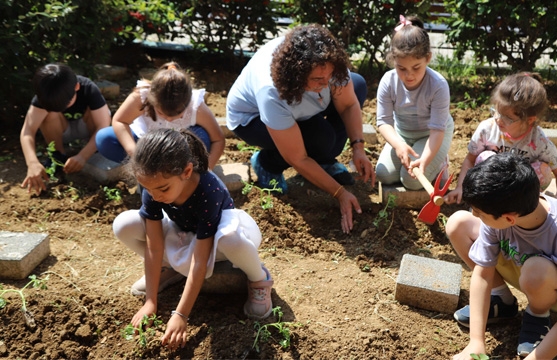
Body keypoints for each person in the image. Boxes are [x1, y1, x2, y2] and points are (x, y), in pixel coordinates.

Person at [112, 128, 273, 351]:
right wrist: (151, 301)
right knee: (124, 224)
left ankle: (259, 279)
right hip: (184, 231)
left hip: (221, 239)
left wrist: (180, 314)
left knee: (231, 239)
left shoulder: (208, 190)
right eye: (149, 189)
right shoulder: (154, 187)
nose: (155, 196)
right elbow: (154, 246)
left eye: (162, 189)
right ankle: (170, 269)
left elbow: (200, 259)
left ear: (187, 171)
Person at [445, 153, 557, 359]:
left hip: (549, 288)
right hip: (520, 267)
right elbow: (482, 275)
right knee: (458, 223)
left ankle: (537, 315)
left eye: (479, 212)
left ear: (509, 218)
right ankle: (501, 300)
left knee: (536, 270)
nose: (475, 214)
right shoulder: (508, 211)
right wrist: (476, 343)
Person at [226, 24, 376, 234]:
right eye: (317, 80)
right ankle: (267, 164)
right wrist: (340, 193)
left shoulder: (326, 66)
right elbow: (298, 158)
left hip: (299, 108)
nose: (326, 85)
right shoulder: (272, 91)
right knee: (321, 139)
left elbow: (349, 104)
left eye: (329, 77)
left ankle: (323, 162)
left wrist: (358, 147)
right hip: (253, 121)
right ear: (297, 74)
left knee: (356, 85)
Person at [444, 72, 557, 206]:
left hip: (520, 191)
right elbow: (470, 161)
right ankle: (485, 204)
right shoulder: (487, 130)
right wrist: (461, 187)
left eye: (507, 118)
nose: (498, 119)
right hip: (490, 189)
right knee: (484, 157)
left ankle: (525, 206)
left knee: (543, 170)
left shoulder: (539, 141)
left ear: (529, 120)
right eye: (496, 111)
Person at [96, 62, 225, 170]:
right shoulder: (141, 96)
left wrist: (206, 171)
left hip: (179, 148)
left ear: (187, 103)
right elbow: (119, 121)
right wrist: (134, 153)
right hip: (146, 145)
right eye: (161, 113)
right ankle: (146, 170)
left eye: (177, 114)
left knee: (202, 138)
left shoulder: (196, 105)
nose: (169, 119)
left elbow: (218, 139)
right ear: (152, 100)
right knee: (104, 139)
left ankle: (183, 173)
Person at [375, 15, 454, 190]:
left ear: (428, 58)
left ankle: (440, 162)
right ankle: (417, 155)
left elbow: (437, 130)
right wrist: (398, 144)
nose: (409, 75)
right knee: (383, 175)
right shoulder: (388, 81)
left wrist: (425, 160)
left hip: (431, 136)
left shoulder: (438, 85)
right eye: (401, 68)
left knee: (410, 181)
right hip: (403, 135)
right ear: (393, 60)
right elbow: (384, 121)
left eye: (416, 67)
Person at [20, 63, 111, 195]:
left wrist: (83, 156)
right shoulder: (45, 94)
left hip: (87, 128)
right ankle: (58, 155)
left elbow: (103, 125)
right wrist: (32, 162)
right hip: (61, 129)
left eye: (66, 103)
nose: (61, 108)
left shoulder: (88, 88)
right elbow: (27, 131)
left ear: (77, 87)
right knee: (49, 114)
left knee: (100, 114)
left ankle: (93, 150)